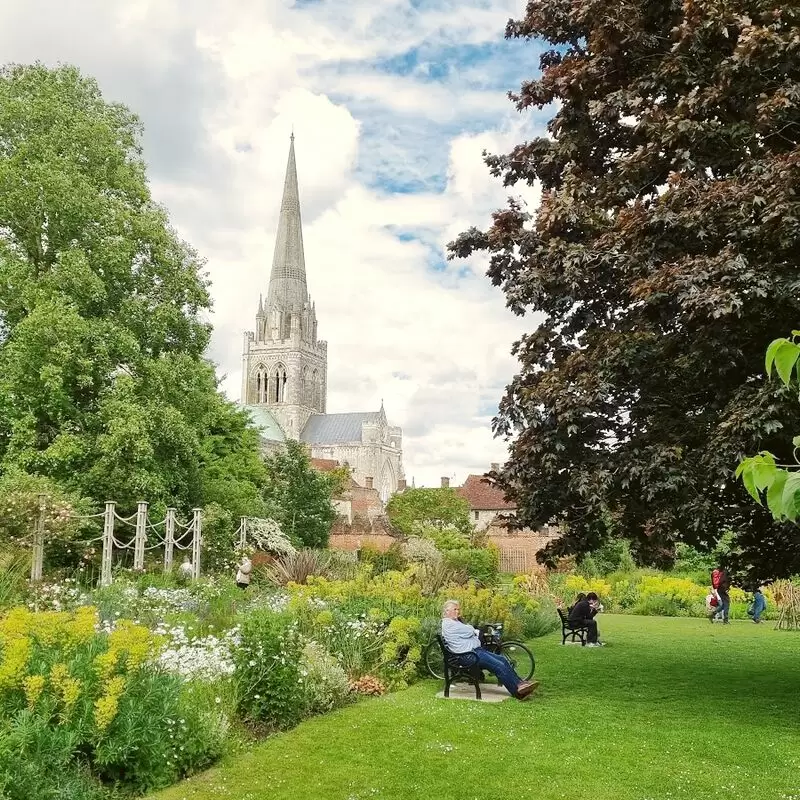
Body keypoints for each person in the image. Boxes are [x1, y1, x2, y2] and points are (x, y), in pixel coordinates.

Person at [440, 600, 537, 700]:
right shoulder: (449, 624)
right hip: (468, 655)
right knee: (498, 666)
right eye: (455, 609)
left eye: (458, 609)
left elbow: (469, 632)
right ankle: (517, 692)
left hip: (474, 651)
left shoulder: (455, 622)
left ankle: (520, 684)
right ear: (447, 611)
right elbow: (469, 630)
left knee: (502, 660)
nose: (457, 612)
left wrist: (470, 631)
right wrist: (470, 630)